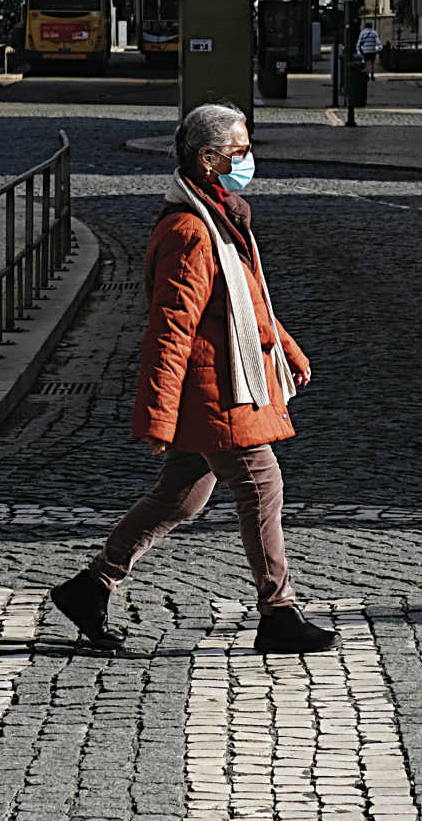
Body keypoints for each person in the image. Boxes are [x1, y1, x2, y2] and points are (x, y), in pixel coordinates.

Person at [51, 103, 335, 656]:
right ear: (208, 160)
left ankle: (90, 587)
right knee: (262, 486)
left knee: (181, 497)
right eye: (240, 152)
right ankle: (278, 612)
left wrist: (290, 349)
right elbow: (169, 331)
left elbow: (246, 304)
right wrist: (157, 417)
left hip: (221, 382)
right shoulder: (190, 232)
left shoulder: (218, 215)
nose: (248, 160)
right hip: (215, 391)